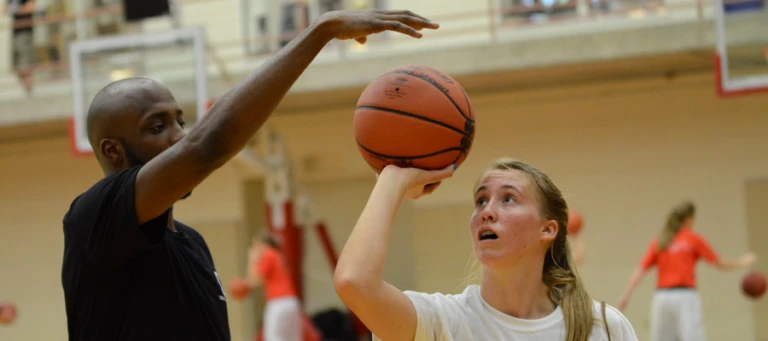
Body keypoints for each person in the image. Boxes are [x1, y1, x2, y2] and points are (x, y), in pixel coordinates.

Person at [60, 8, 439, 341]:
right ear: (112, 150)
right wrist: (320, 30)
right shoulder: (92, 218)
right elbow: (205, 147)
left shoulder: (191, 243)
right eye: (157, 127)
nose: (180, 135)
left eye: (180, 120)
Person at [334, 158, 639, 341]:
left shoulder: (603, 326)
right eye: (481, 200)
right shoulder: (444, 322)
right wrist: (392, 180)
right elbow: (355, 282)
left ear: (547, 229)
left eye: (508, 199)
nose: (486, 211)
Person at [616, 201, 756, 341]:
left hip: (662, 298)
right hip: (685, 296)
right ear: (689, 219)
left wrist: (625, 296)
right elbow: (719, 263)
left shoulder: (660, 241)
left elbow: (640, 271)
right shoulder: (693, 239)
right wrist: (743, 261)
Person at [246, 233, 305, 341]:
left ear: (262, 245)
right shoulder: (278, 255)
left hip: (278, 302)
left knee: (274, 338)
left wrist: (252, 259)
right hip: (292, 302)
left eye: (255, 246)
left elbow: (254, 280)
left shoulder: (268, 255)